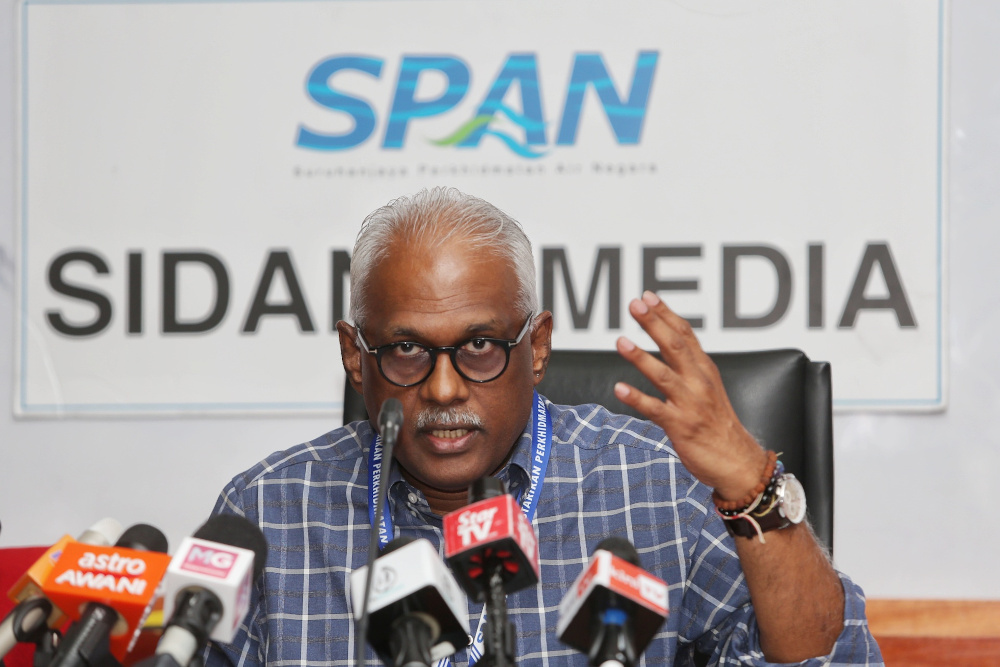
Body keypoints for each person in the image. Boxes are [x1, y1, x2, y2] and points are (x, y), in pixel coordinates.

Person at [205, 186, 882, 666]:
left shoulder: (652, 483)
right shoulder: (270, 509)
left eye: (479, 346)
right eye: (408, 350)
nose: (444, 388)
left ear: (536, 348)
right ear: (356, 356)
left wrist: (749, 481)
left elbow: (837, 663)